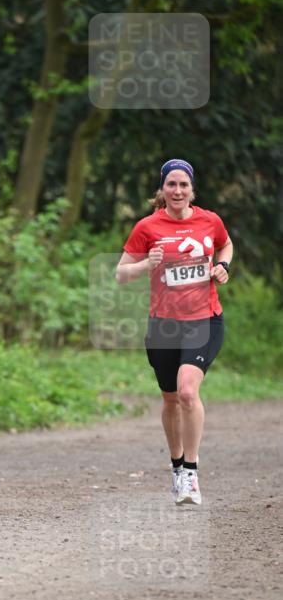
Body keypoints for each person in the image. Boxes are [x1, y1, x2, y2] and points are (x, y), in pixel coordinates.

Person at [115, 159, 233, 505]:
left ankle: (191, 474)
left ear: (192, 189)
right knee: (170, 399)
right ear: (162, 189)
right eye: (172, 184)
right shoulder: (147, 226)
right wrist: (145, 264)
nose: (178, 191)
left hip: (204, 320)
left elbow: (226, 244)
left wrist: (223, 265)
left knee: (187, 393)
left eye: (183, 185)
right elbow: (121, 274)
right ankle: (177, 466)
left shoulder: (210, 220)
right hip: (164, 325)